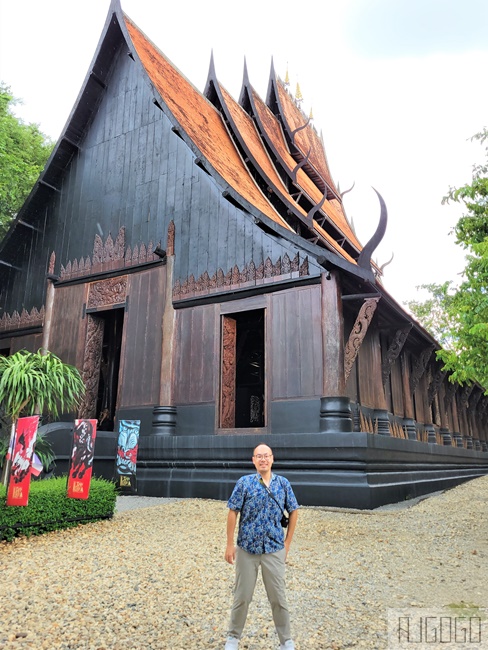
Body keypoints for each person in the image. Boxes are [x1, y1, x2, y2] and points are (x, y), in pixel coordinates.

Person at [224, 443, 299, 650]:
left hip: (274, 548)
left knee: (278, 597)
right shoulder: (244, 483)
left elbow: (293, 510)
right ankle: (233, 638)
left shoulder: (283, 484)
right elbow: (233, 511)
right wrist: (230, 544)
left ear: (272, 459)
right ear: (253, 460)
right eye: (259, 456)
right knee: (242, 596)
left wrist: (287, 543)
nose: (263, 459)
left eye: (266, 456)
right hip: (247, 548)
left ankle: (286, 641)